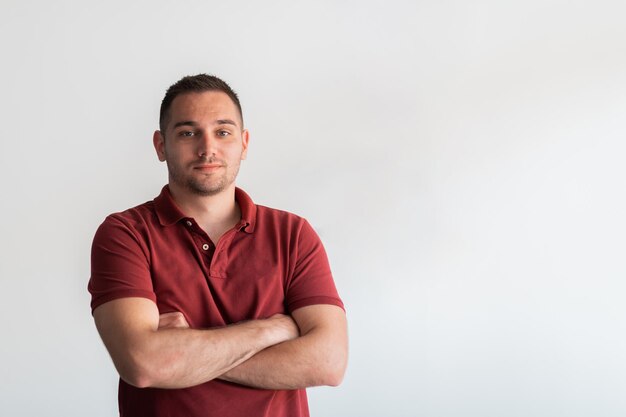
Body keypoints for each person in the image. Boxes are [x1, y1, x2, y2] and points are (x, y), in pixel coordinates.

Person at [88, 74, 348, 417]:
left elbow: (328, 362)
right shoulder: (125, 234)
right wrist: (271, 329)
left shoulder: (292, 234)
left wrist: (183, 355)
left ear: (244, 143)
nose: (207, 147)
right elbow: (143, 364)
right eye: (187, 132)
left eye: (222, 132)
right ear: (160, 145)